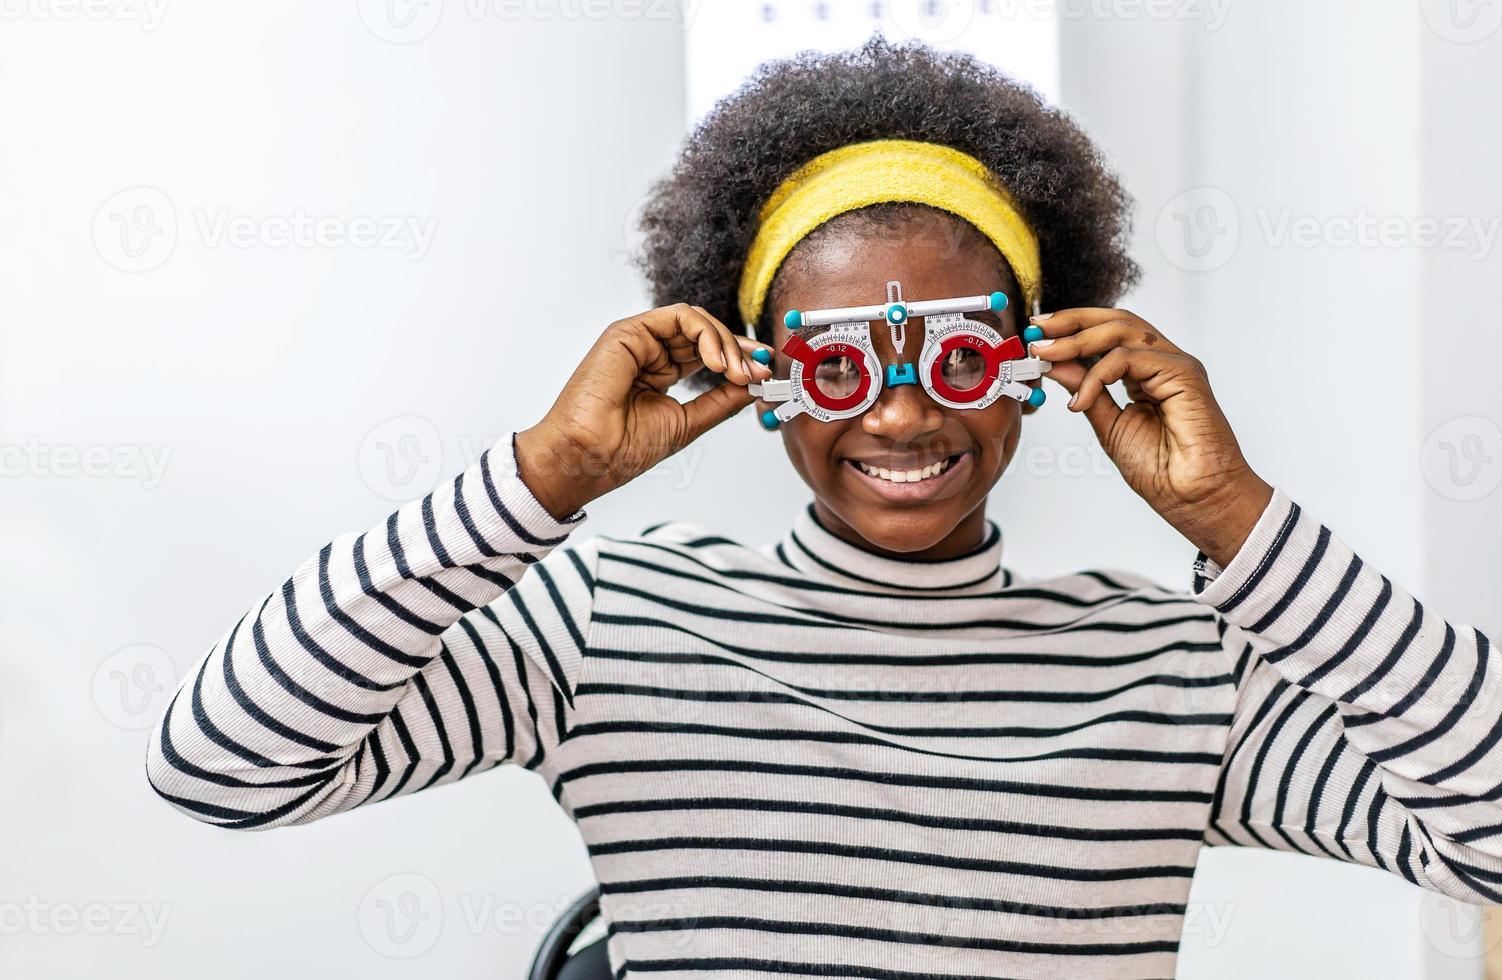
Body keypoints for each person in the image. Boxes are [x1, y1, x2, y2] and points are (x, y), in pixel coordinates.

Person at [147, 39, 1501, 979]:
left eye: (958, 358)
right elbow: (220, 767)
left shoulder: (1168, 669)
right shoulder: (612, 623)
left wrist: (1237, 521)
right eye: (837, 366)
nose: (902, 416)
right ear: (761, 375)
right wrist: (539, 481)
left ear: (1036, 362)